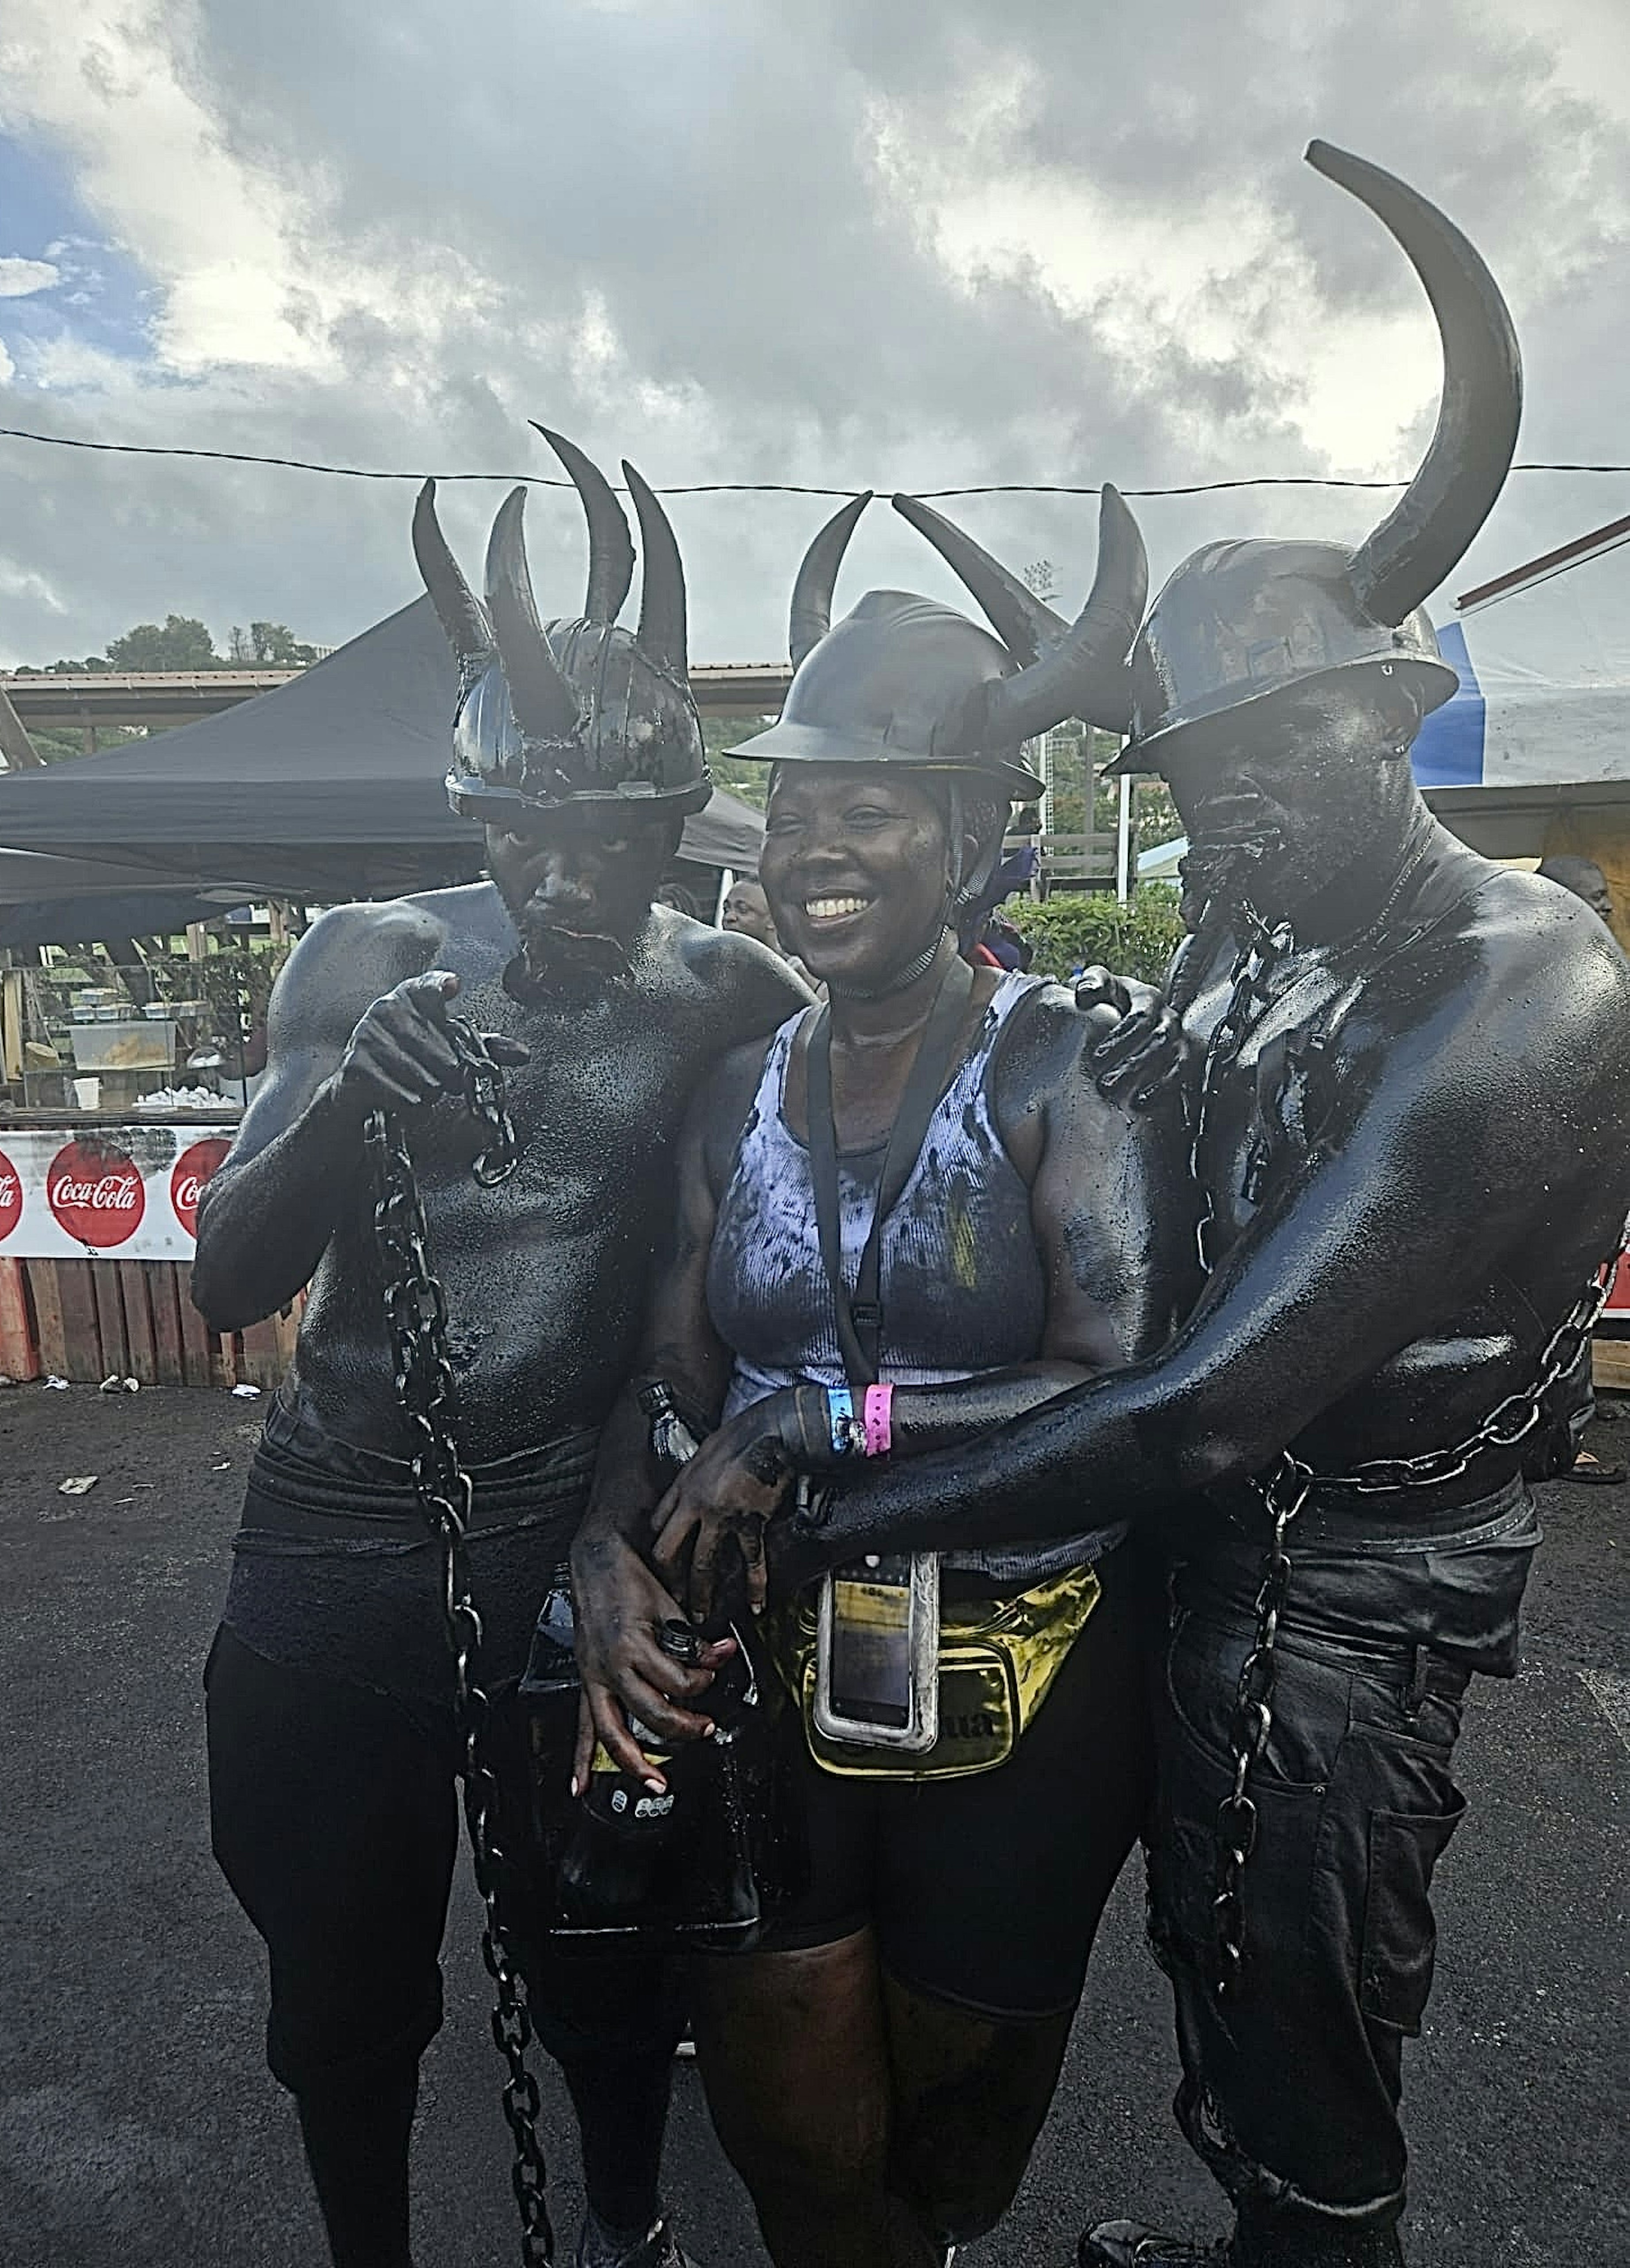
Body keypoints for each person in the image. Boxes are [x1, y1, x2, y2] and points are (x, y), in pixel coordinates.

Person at [752, 146, 1630, 2268]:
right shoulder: (1247, 937)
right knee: (1211, 1963)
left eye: (1263, 764)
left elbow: (1202, 1402)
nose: (1216, 819)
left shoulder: (1521, 985)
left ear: (1385, 718)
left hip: (1349, 1577)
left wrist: (821, 1505)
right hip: (1203, 1554)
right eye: (1189, 783)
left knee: (1314, 2010)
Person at [191, 428, 814, 2268]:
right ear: (478, 825)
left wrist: (1074, 1034)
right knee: (342, 1982)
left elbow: (890, 1069)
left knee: (613, 1951)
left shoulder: (719, 986)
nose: (569, 879)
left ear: (666, 834)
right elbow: (232, 1276)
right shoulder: (363, 957)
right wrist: (335, 1112)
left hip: (567, 1541)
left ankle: (627, 2224)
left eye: (613, 840)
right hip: (336, 1537)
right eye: (530, 837)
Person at [571, 487, 1195, 2268]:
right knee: (803, 2154)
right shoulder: (734, 1091)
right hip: (759, 1668)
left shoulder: (1061, 1066)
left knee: (957, 2156)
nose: (810, 852)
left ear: (979, 837)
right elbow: (667, 1376)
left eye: (867, 812)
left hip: (1031, 1676)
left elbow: (1121, 1381)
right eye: (789, 813)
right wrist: (603, 1544)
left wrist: (821, 1417)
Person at [719, 876, 782, 951]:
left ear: (773, 920)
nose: (728, 917)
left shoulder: (789, 962)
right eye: (726, 909)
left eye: (743, 909)